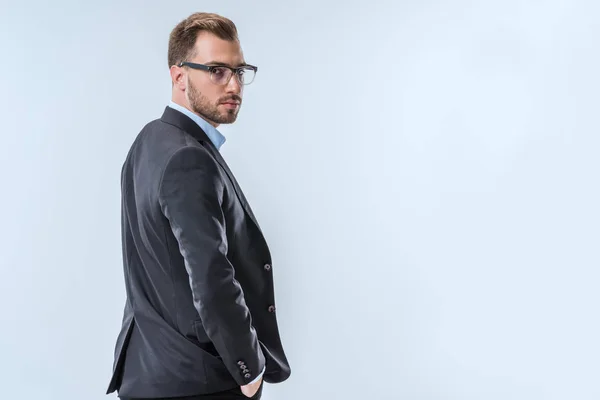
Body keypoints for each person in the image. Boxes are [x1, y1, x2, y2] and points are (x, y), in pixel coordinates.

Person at [105, 12, 291, 400]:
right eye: (217, 71)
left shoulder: (148, 143)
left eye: (240, 71)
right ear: (179, 76)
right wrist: (249, 367)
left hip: (148, 373)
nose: (234, 84)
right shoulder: (188, 159)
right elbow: (211, 275)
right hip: (198, 381)